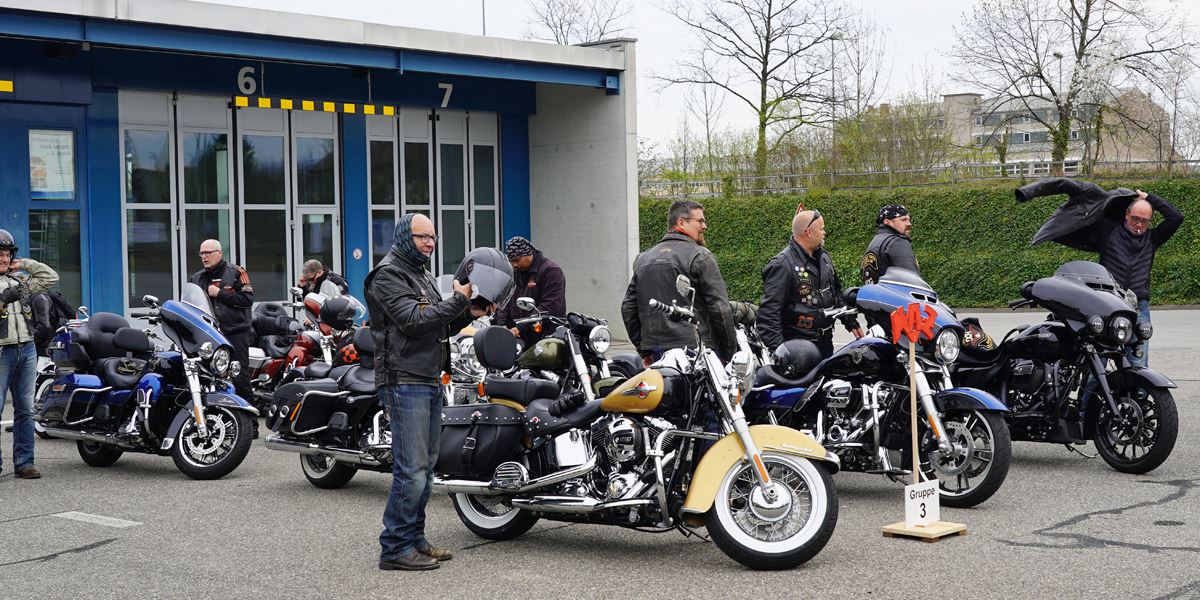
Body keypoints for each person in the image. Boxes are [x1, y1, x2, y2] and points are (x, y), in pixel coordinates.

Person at [366, 214, 497, 572]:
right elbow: (413, 320)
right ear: (404, 237)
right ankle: (395, 547)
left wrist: (472, 309)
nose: (429, 243)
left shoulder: (420, 274)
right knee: (411, 470)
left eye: (433, 237)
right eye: (422, 237)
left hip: (427, 378)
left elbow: (439, 323)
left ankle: (414, 539)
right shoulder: (387, 275)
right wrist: (457, 299)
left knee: (425, 469)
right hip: (403, 380)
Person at [1017, 179, 1184, 366]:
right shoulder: (1109, 230)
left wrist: (1149, 198)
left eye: (1144, 221)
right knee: (1097, 364)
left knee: (1137, 365)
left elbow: (1176, 217)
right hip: (1107, 303)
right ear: (1126, 214)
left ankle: (1131, 386)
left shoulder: (1153, 238)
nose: (1138, 225)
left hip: (1138, 306)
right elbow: (1092, 209)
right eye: (1135, 218)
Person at [621, 200, 736, 364]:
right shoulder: (700, 256)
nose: (705, 226)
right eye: (700, 221)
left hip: (657, 352)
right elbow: (720, 309)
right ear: (681, 222)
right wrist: (730, 353)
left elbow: (628, 308)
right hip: (698, 350)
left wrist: (644, 350)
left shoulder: (643, 259)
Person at [0, 228, 59, 479]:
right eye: (0, 255)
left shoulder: (20, 280)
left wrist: (24, 264)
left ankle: (25, 464)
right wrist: (3, 299)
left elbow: (50, 277)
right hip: (2, 351)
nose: (4, 259)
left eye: (7, 255)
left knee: (25, 410)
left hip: (26, 347)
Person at [757, 209, 855, 358]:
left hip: (825, 343)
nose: (824, 233)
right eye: (821, 229)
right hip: (797, 350)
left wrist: (850, 321)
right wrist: (781, 352)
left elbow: (836, 293)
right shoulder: (782, 265)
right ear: (808, 232)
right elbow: (768, 314)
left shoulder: (824, 258)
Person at [187, 240, 254, 399]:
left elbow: (247, 299)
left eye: (208, 253)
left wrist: (219, 293)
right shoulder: (196, 278)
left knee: (238, 375)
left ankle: (249, 412)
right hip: (208, 334)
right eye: (202, 253)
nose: (204, 257)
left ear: (219, 253)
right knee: (205, 374)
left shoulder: (237, 272)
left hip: (235, 332)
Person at [492, 236, 566, 343]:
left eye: (517, 260)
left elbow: (550, 305)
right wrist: (502, 326)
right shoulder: (514, 273)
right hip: (517, 336)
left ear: (528, 253)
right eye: (511, 261)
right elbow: (504, 303)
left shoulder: (551, 271)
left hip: (547, 337)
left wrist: (520, 327)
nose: (514, 264)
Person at [860, 203, 920, 284]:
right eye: (903, 220)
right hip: (897, 292)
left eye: (909, 220)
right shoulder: (896, 242)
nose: (909, 224)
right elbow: (911, 280)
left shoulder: (873, 244)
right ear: (887, 221)